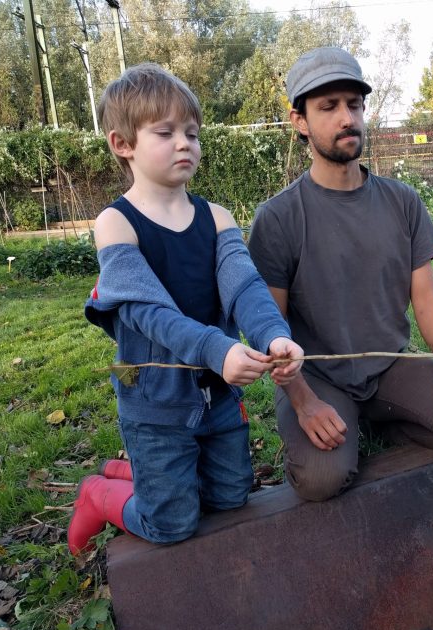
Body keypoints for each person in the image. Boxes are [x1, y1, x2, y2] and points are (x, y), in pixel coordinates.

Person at [248, 47, 433, 502]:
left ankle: (386, 421)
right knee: (321, 480)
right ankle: (351, 419)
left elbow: (426, 298)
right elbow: (270, 329)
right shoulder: (278, 218)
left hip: (389, 366)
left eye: (354, 104)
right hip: (318, 377)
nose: (347, 118)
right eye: (328, 107)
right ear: (299, 121)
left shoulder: (402, 201)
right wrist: (304, 402)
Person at [68, 63, 303, 554]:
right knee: (172, 523)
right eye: (166, 132)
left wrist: (273, 335)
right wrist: (218, 349)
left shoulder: (216, 217)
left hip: (218, 398)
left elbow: (245, 288)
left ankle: (142, 474)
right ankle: (101, 494)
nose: (185, 144)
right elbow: (147, 314)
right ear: (122, 143)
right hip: (156, 406)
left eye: (192, 133)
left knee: (230, 498)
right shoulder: (115, 224)